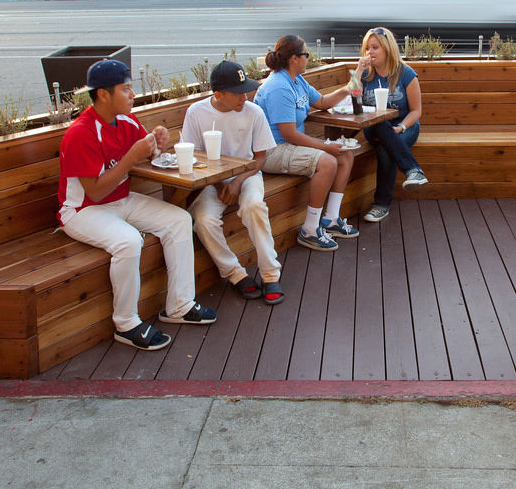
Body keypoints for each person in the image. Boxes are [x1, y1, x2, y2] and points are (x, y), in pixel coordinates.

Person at [57, 59, 215, 351]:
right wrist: (131, 157)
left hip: (120, 199)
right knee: (129, 241)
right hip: (82, 210)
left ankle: (180, 305)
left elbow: (149, 152)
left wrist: (158, 141)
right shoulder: (81, 133)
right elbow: (95, 191)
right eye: (126, 89)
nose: (132, 95)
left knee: (179, 220)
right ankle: (126, 324)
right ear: (103, 94)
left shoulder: (126, 121)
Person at [181, 60, 285, 305]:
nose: (245, 97)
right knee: (204, 220)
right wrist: (218, 184)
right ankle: (235, 273)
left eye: (246, 89)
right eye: (238, 93)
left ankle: (271, 273)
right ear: (218, 94)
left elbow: (260, 158)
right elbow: (194, 156)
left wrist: (237, 182)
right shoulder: (196, 112)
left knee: (253, 207)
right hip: (210, 179)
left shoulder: (254, 112)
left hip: (247, 173)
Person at [254, 35, 358, 252]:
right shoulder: (278, 87)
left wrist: (349, 87)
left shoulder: (297, 80)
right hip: (271, 150)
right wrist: (325, 147)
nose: (308, 59)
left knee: (346, 154)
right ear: (294, 59)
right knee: (328, 161)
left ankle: (330, 219)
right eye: (306, 55)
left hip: (290, 145)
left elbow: (321, 102)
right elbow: (289, 134)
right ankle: (310, 230)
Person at [355, 27, 428, 223]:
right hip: (375, 126)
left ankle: (381, 205)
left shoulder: (406, 73)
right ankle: (413, 171)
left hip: (405, 125)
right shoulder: (364, 75)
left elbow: (416, 111)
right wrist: (359, 71)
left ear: (387, 49)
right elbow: (354, 104)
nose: (370, 52)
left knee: (385, 149)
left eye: (375, 47)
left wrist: (402, 127)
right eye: (367, 48)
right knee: (380, 124)